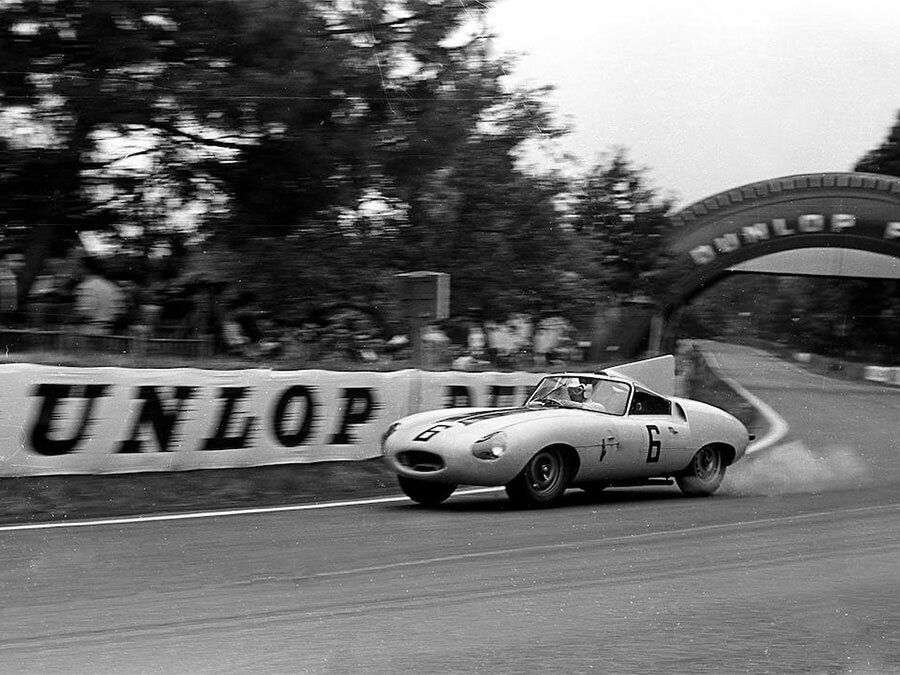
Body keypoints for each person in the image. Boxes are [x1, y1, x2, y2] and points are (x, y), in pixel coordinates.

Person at [74, 257, 124, 335]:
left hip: (89, 331)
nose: (77, 270)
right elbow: (119, 310)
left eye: (78, 267)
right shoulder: (111, 286)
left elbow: (86, 312)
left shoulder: (86, 286)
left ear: (85, 269)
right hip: (109, 331)